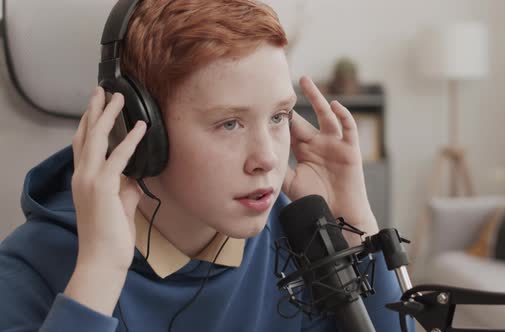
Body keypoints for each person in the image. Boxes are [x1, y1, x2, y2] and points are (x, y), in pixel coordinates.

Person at [0, 0, 414, 331]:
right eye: (229, 123)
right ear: (140, 132)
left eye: (278, 117)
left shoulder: (297, 238)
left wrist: (355, 230)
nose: (268, 158)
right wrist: (100, 271)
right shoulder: (28, 269)